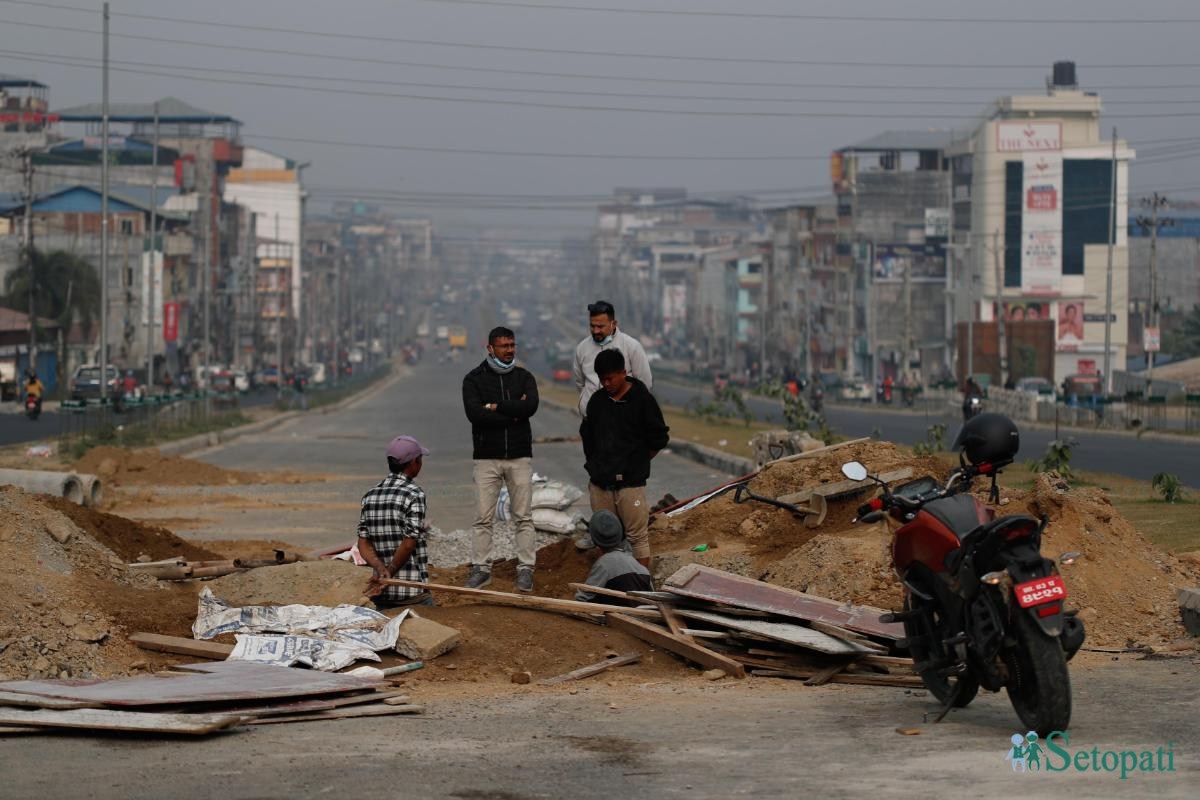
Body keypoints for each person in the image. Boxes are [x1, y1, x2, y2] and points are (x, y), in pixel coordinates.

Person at [461, 326, 540, 592]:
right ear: (490, 348)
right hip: (486, 458)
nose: (509, 351)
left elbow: (531, 406)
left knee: (524, 517)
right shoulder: (474, 379)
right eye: (504, 346)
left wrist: (495, 406)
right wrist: (514, 411)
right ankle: (481, 568)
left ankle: (526, 569)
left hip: (519, 456)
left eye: (512, 345)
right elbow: (475, 414)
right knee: (483, 517)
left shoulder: (524, 377)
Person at [580, 348, 670, 567]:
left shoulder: (642, 400)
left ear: (623, 372)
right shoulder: (598, 401)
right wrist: (596, 465)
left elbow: (658, 438)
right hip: (600, 484)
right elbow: (588, 436)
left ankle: (639, 585)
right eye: (602, 379)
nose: (606, 383)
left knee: (638, 539)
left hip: (631, 484)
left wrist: (637, 461)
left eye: (610, 378)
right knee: (605, 539)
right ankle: (611, 586)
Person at [360, 435, 434, 609]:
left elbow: (363, 542)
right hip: (411, 593)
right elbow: (409, 544)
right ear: (414, 462)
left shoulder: (370, 495)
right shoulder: (414, 494)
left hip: (381, 594)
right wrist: (390, 572)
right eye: (420, 459)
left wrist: (380, 569)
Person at [573, 300, 652, 417]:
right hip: (591, 422)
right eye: (592, 326)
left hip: (624, 422)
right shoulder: (582, 348)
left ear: (613, 324)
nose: (595, 331)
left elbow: (645, 385)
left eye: (600, 326)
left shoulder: (632, 347)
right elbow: (580, 383)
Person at [573, 510, 653, 606]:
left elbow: (582, 599)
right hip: (646, 616)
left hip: (621, 617)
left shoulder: (605, 564)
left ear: (594, 539)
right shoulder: (641, 568)